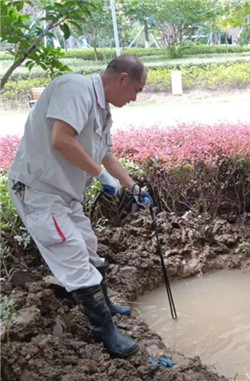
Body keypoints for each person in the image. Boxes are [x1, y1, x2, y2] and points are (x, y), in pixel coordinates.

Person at [7, 55, 153, 358]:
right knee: (71, 250)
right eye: (137, 90)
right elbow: (61, 139)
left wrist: (132, 186)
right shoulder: (75, 88)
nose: (135, 98)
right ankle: (104, 331)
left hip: (65, 193)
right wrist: (98, 175)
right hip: (39, 191)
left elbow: (106, 155)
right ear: (123, 79)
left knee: (88, 245)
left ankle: (105, 305)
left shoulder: (103, 113)